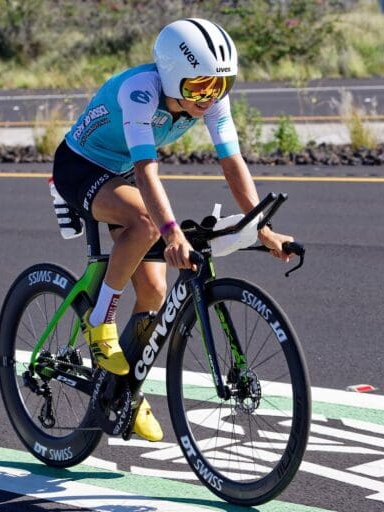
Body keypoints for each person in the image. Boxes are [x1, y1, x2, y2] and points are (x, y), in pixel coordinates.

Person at [51, 18, 295, 442]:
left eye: (221, 86)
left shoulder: (210, 99)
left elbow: (232, 162)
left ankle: (121, 391)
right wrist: (171, 234)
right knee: (147, 224)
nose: (210, 98)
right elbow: (147, 171)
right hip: (81, 166)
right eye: (200, 87)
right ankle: (100, 318)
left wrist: (263, 228)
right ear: (170, 76)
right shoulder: (140, 93)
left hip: (120, 171)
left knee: (154, 293)